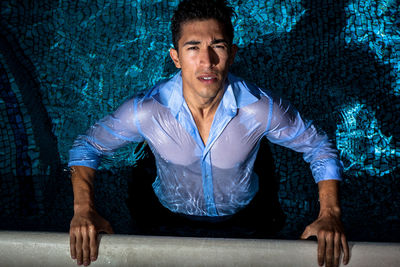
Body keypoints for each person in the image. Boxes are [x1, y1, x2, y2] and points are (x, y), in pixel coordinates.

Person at [68, 0, 350, 266]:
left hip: (246, 212)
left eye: (218, 46)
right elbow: (86, 147)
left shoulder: (261, 110)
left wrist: (329, 214)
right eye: (193, 48)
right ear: (176, 57)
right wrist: (83, 210)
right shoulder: (147, 112)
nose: (207, 61)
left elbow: (319, 147)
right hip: (165, 211)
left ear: (233, 53)